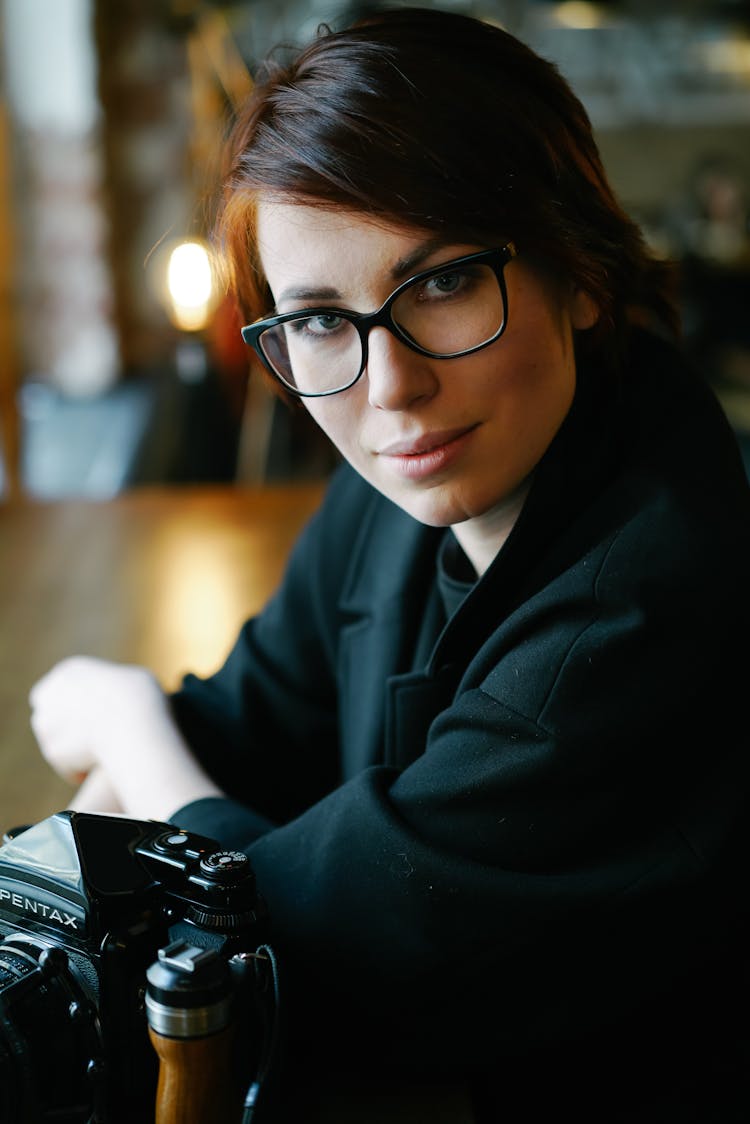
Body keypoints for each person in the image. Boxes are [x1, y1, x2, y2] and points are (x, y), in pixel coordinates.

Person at [28, 7, 750, 1121]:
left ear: (584, 271)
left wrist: (127, 720)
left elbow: (319, 945)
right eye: (319, 319)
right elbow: (244, 724)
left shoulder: (642, 604)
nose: (388, 390)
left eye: (445, 283)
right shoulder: (421, 481)